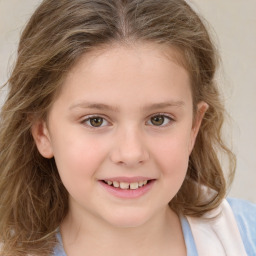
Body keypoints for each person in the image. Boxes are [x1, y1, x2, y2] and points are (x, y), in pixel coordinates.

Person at [0, 0, 255, 255]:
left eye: (159, 119)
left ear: (193, 126)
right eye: (95, 120)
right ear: (42, 131)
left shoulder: (247, 237)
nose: (131, 154)